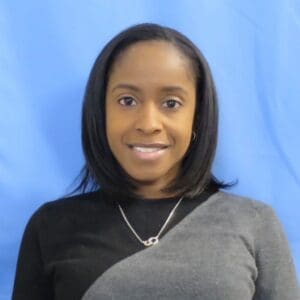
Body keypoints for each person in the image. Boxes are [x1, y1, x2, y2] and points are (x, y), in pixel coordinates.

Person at [12, 23, 299, 300]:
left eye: (171, 103)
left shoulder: (254, 222)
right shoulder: (51, 227)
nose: (149, 124)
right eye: (127, 101)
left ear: (196, 117)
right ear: (101, 113)